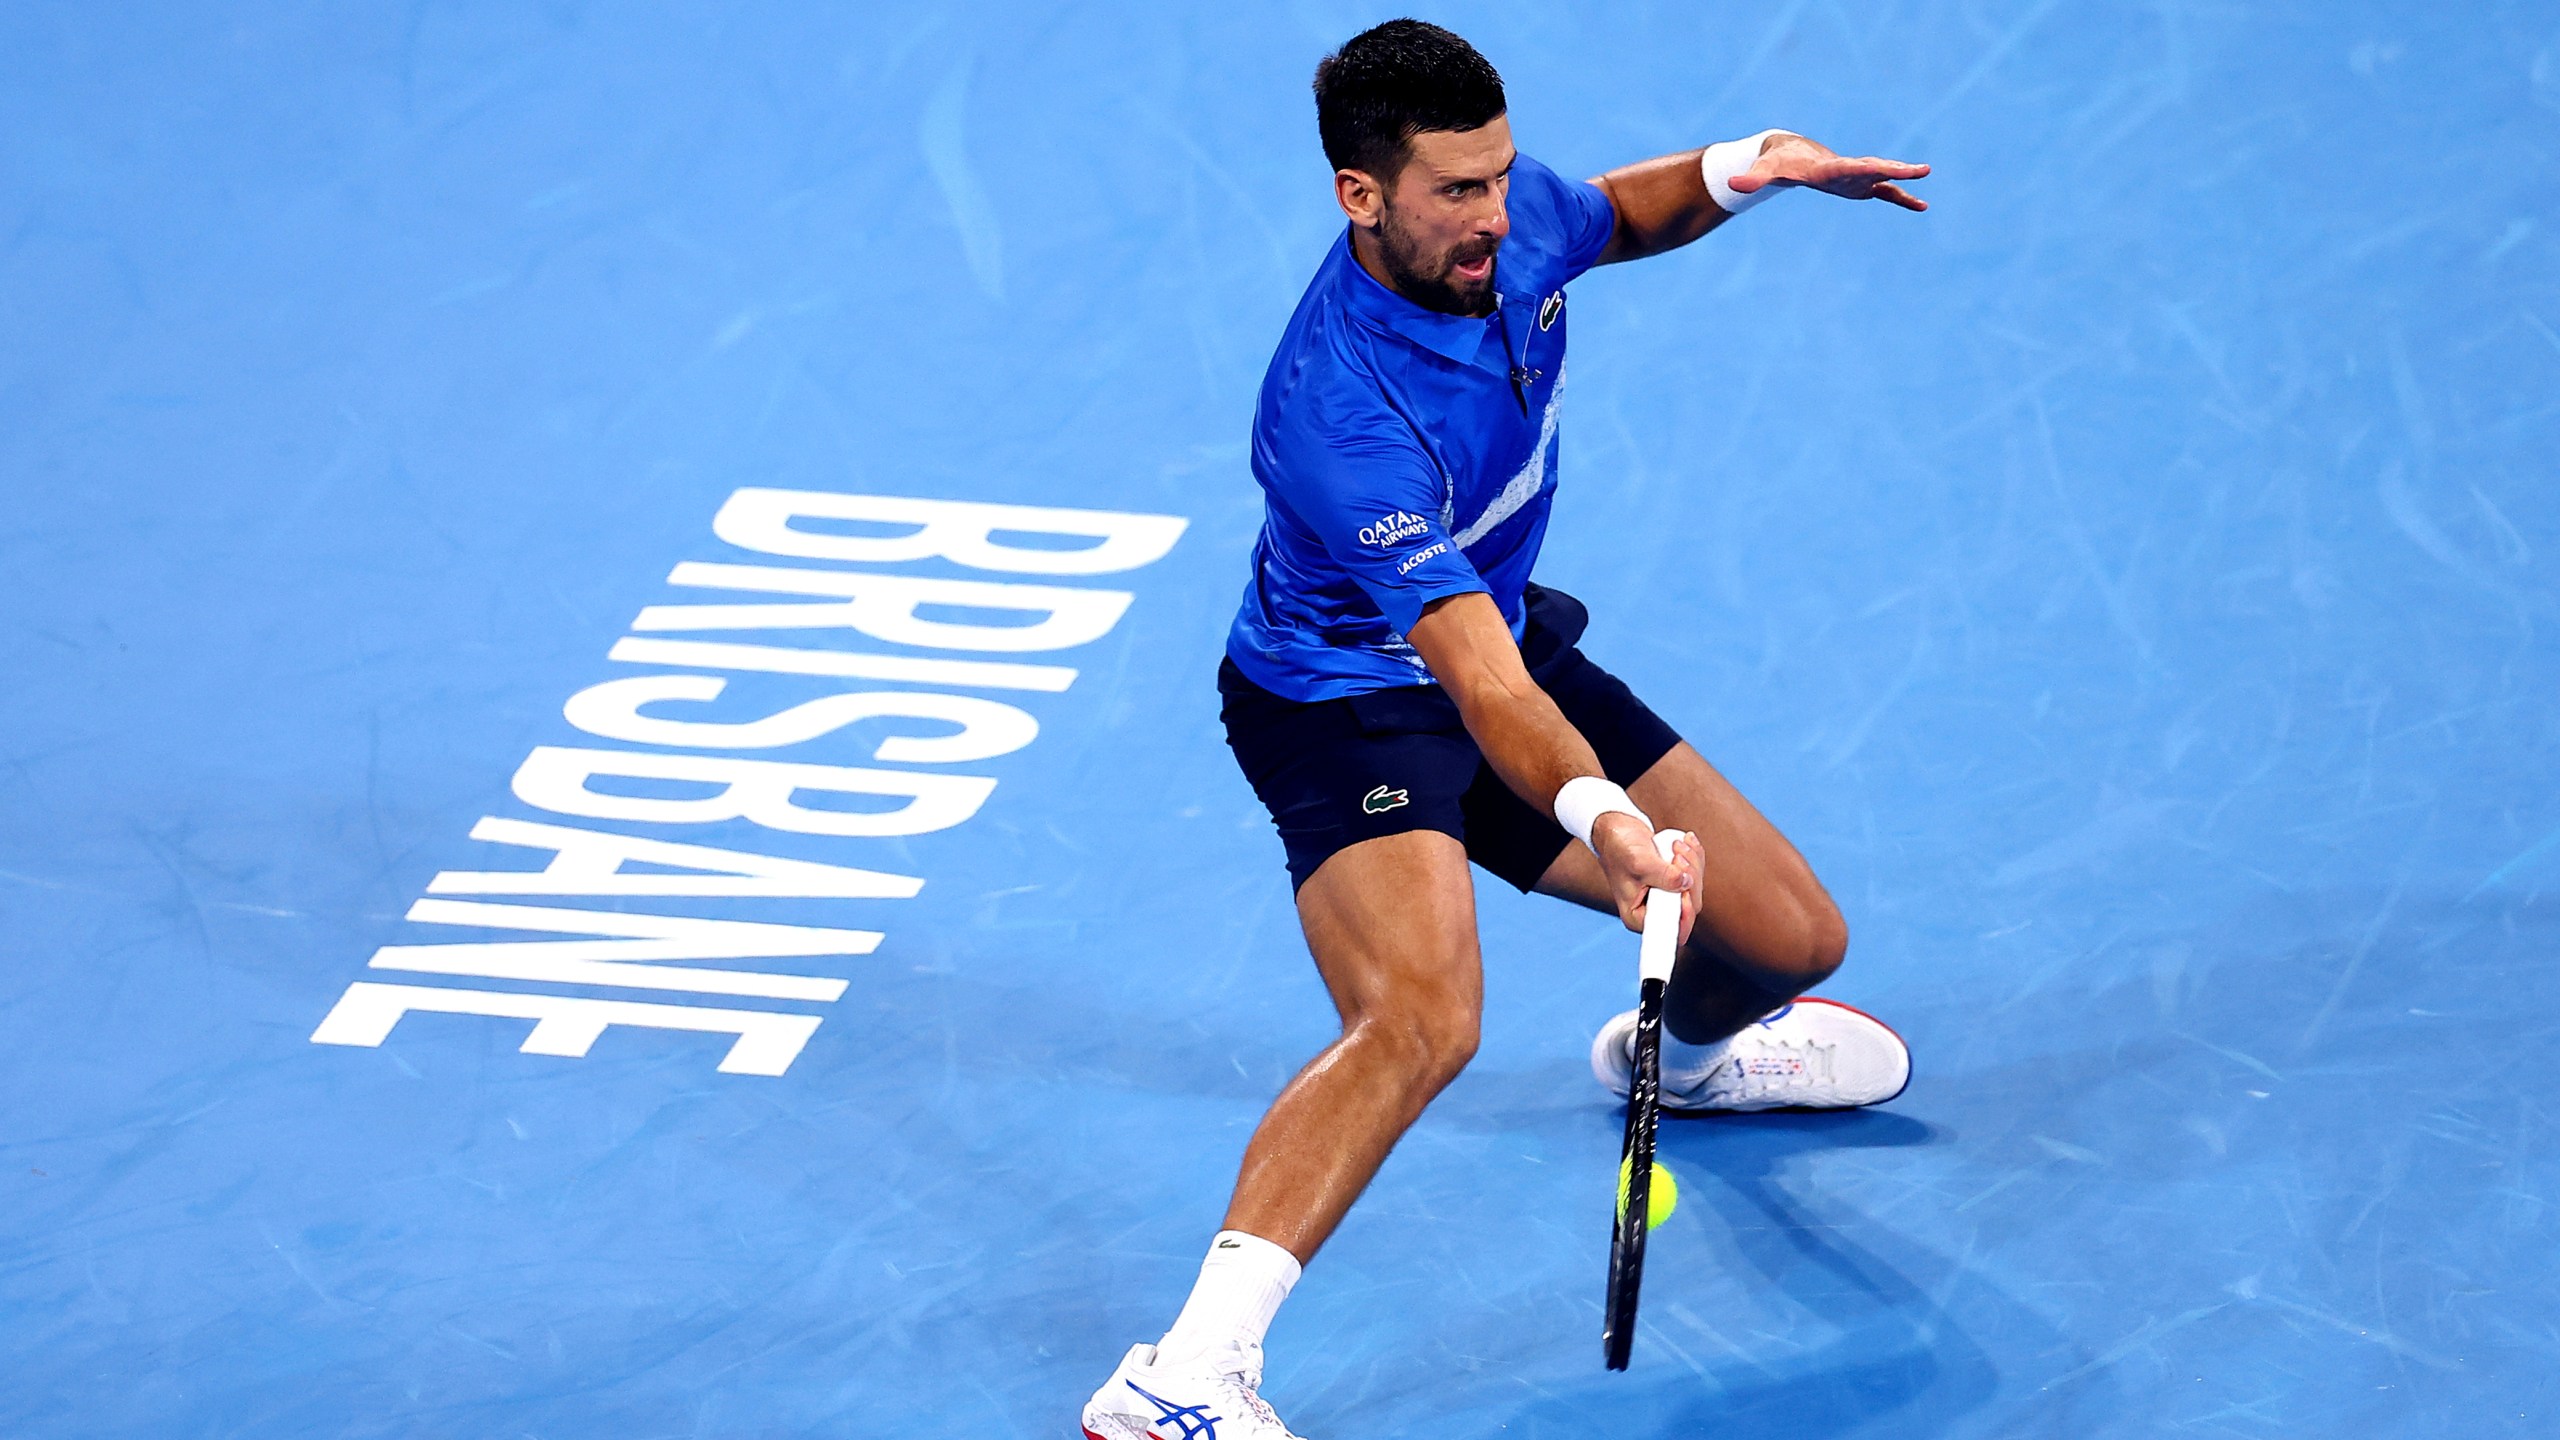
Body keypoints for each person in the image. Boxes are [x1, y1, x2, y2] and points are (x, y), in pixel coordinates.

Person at [1082, 20, 1931, 1439]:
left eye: (1495, 176)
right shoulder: (1337, 414)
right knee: (1421, 1020)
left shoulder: (1507, 207)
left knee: (1789, 943)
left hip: (1506, 645)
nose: (1494, 214)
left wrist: (1748, 169)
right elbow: (1479, 691)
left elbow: (1614, 216)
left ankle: (1695, 1060)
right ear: (1362, 196)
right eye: (1455, 192)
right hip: (1346, 707)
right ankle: (1180, 1378)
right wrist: (1608, 823)